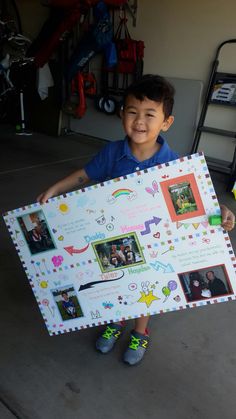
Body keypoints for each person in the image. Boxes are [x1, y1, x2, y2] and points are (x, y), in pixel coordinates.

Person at [37, 74, 235, 366]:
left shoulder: (173, 163)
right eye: (132, 112)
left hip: (151, 242)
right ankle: (115, 322)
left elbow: (196, 196)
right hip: (113, 240)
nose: (139, 121)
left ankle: (140, 331)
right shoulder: (112, 153)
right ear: (121, 116)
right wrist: (56, 188)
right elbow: (85, 174)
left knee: (147, 287)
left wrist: (222, 209)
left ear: (166, 122)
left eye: (150, 114)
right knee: (115, 282)